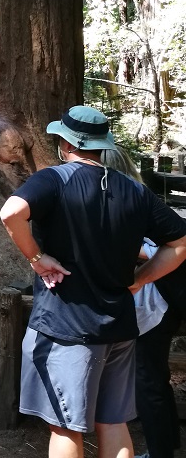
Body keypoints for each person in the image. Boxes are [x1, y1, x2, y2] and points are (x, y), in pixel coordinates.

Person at [0, 105, 186, 458]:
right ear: (103, 145)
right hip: (119, 326)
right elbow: (179, 243)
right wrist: (141, 280)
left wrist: (37, 259)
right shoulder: (135, 191)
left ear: (64, 143)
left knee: (66, 426)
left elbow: (10, 212)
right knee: (112, 424)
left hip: (64, 327)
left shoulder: (53, 179)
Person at [101, 145, 186, 458]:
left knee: (148, 381)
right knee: (153, 379)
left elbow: (159, 249)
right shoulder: (144, 198)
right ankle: (165, 446)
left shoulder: (127, 202)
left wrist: (136, 267)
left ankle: (160, 452)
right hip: (159, 303)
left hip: (153, 306)